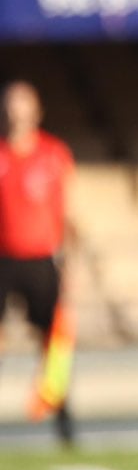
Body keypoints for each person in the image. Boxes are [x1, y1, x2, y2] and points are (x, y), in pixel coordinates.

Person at [0, 80, 76, 446]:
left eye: (24, 102)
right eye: (12, 103)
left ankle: (63, 420)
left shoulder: (54, 154)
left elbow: (67, 213)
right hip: (3, 260)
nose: (17, 109)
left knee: (53, 343)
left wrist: (69, 263)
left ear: (37, 109)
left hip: (41, 261)